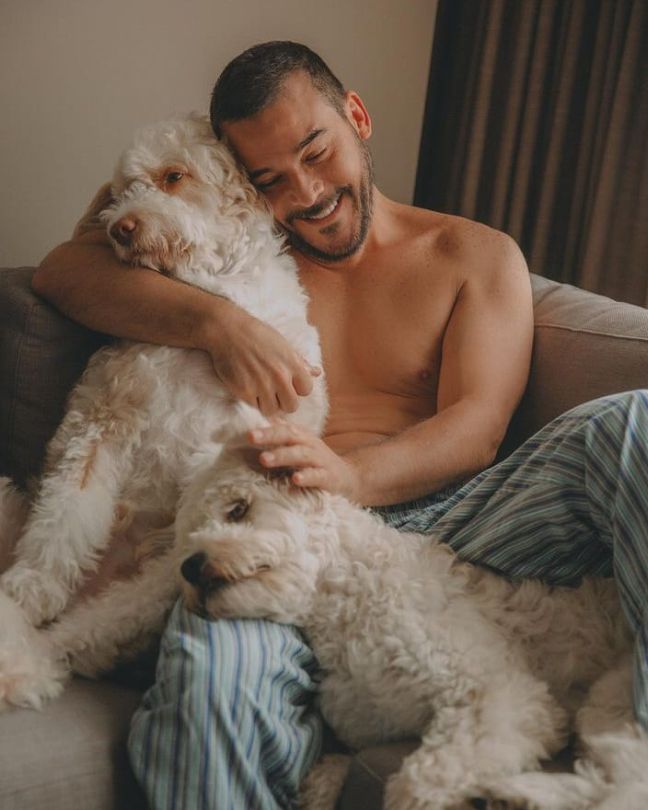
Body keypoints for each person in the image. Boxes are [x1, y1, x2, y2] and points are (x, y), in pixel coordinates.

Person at [33, 41, 648, 810]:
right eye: (271, 180)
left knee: (636, 423)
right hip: (287, 533)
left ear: (356, 117)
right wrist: (221, 324)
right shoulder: (240, 249)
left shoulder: (471, 254)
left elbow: (478, 425)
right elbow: (65, 271)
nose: (307, 194)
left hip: (459, 528)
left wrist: (354, 474)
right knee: (211, 679)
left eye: (316, 153)